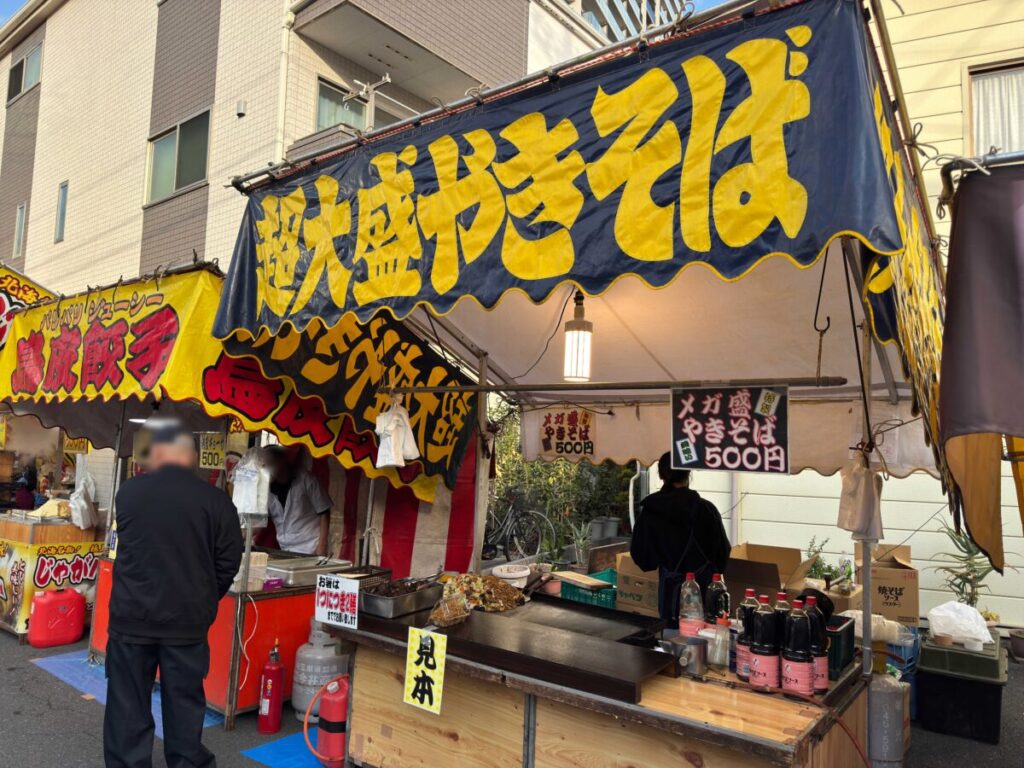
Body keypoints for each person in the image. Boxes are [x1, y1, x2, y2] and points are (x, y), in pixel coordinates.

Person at [104, 423, 243, 768]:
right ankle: (186, 762)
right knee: (184, 703)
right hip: (187, 622)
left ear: (158, 453)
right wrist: (206, 596)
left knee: (127, 702)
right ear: (190, 455)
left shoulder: (129, 493)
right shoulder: (216, 501)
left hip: (131, 619)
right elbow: (229, 560)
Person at [630, 452, 731, 623]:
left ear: (661, 475)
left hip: (670, 596)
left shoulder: (651, 511)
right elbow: (723, 555)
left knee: (671, 640)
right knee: (703, 642)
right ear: (688, 473)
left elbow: (643, 559)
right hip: (704, 595)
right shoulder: (707, 510)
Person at [263, 446, 332, 555]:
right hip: (285, 548)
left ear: (282, 461)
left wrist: (322, 545)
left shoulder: (307, 480)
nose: (267, 469)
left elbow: (324, 512)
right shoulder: (266, 488)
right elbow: (261, 520)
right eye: (264, 466)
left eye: (270, 464)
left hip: (311, 547)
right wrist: (243, 533)